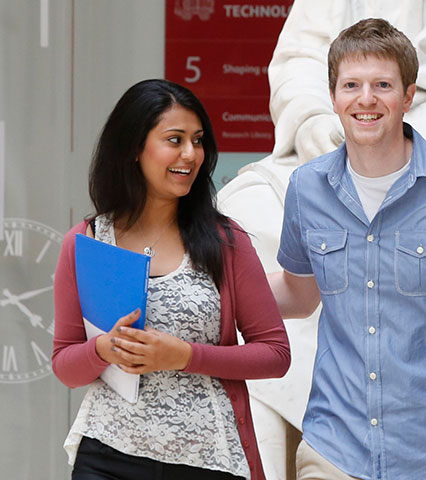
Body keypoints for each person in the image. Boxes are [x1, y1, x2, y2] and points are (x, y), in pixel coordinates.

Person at [267, 19, 426, 480]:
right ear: (334, 96)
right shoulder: (307, 187)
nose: (366, 99)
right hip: (334, 449)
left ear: (408, 95)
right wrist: (211, 290)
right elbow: (300, 296)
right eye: (351, 85)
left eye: (382, 85)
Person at [51, 79, 290, 480]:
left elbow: (275, 354)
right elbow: (65, 366)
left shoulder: (226, 242)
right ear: (133, 149)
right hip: (108, 455)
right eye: (174, 140)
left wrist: (185, 356)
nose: (190, 154)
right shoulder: (87, 241)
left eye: (197, 141)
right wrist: (104, 349)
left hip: (206, 459)